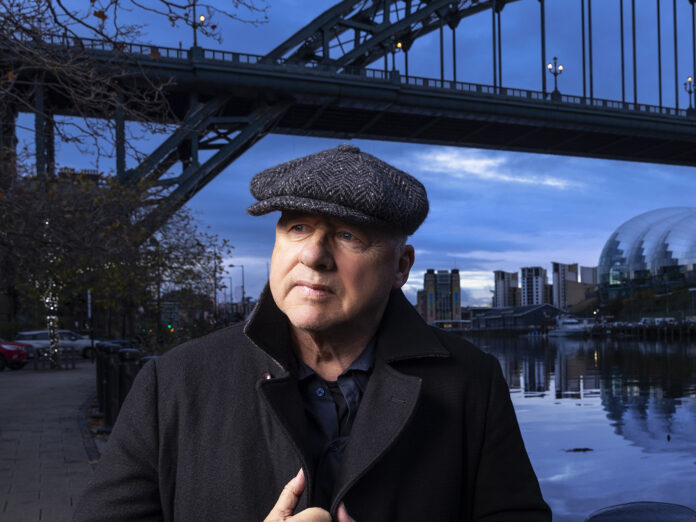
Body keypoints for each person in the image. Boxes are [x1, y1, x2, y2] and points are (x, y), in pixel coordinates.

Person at [74, 145, 551, 521]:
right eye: (298, 227)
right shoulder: (175, 383)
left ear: (401, 266)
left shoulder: (471, 383)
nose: (314, 255)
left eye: (349, 235)